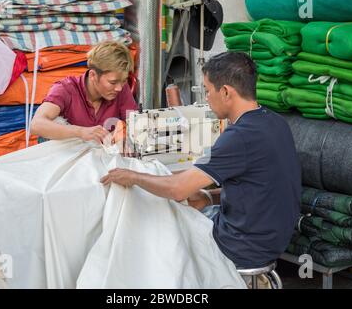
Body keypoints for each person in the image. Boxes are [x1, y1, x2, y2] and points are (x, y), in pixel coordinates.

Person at [100, 52, 301, 269]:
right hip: (273, 239)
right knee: (193, 207)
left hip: (242, 246)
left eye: (207, 91)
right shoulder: (274, 122)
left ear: (225, 92)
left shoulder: (239, 136)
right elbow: (257, 188)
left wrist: (133, 176)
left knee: (158, 234)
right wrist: (209, 196)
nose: (206, 98)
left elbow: (178, 189)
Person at [30, 41, 137, 144]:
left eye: (123, 81)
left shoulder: (121, 89)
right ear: (93, 75)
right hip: (66, 158)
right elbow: (36, 125)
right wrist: (81, 132)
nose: (119, 88)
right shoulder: (65, 89)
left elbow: (134, 123)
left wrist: (117, 135)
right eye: (112, 82)